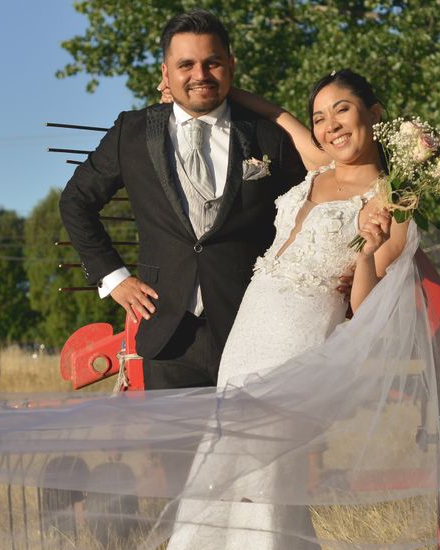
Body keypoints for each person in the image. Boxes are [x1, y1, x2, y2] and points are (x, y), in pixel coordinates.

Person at [159, 69, 404, 550]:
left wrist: (368, 251)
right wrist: (214, 91)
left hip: (300, 335)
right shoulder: (318, 166)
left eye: (342, 110)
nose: (330, 125)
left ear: (373, 115)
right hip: (251, 329)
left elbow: (365, 305)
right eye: (320, 117)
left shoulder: (394, 203)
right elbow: (276, 114)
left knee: (260, 463)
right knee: (224, 453)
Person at [59, 9, 308, 391]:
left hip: (253, 329)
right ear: (165, 73)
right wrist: (114, 277)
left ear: (231, 66)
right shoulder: (132, 132)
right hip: (168, 336)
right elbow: (76, 200)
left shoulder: (266, 136)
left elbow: (314, 199)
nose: (200, 75)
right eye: (186, 64)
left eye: (212, 63)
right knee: (176, 453)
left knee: (254, 451)